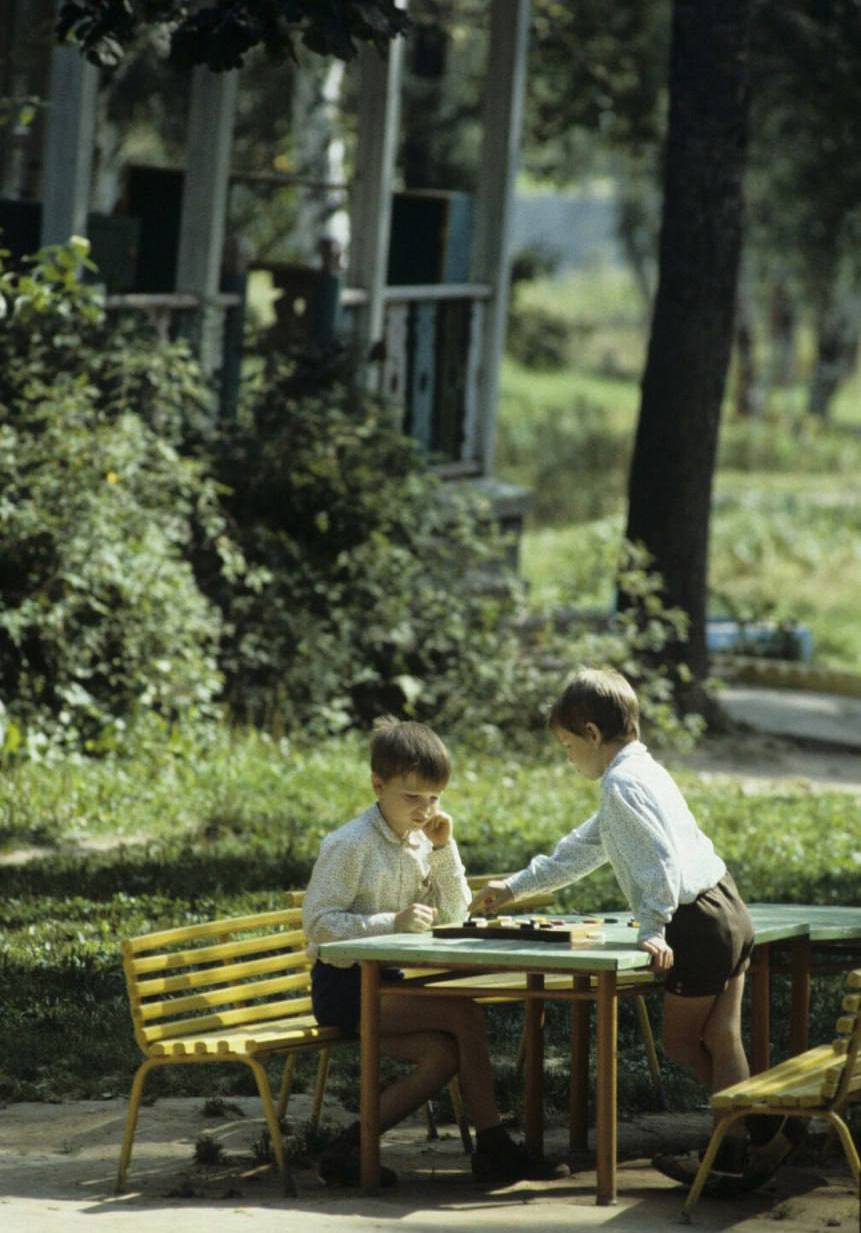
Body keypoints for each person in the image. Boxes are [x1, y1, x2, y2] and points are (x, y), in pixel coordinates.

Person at [468, 667, 795, 1185]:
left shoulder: (620, 785)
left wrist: (654, 926)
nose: (568, 756)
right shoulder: (644, 772)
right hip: (729, 904)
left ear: (593, 735)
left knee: (683, 1043)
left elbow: (658, 861)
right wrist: (514, 887)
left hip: (696, 922)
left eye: (568, 746)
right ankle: (750, 1146)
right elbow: (584, 848)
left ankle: (753, 1137)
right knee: (721, 1036)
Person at [303, 715, 565, 1187]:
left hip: (389, 986)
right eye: (412, 797)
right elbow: (319, 927)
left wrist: (444, 849)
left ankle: (350, 1149)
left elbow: (456, 914)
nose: (425, 810)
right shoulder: (349, 844)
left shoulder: (423, 840)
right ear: (377, 786)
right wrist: (391, 923)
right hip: (343, 988)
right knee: (465, 1015)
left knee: (443, 1054)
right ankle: (494, 1148)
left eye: (434, 798)